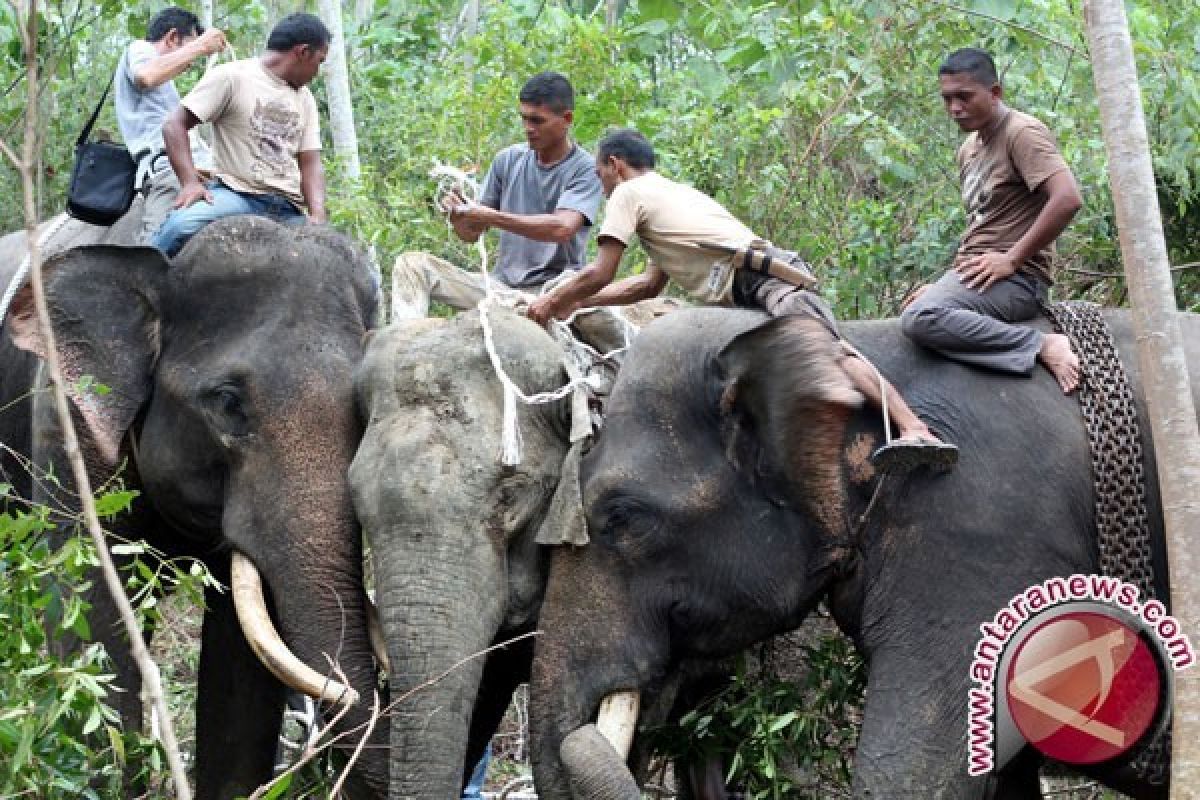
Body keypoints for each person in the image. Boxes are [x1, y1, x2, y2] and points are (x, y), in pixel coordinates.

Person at [528, 128, 957, 470]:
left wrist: (551, 303)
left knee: (830, 351)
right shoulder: (671, 195)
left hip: (762, 279)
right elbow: (646, 286)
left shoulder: (627, 194)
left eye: (600, 173)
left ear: (614, 165)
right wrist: (579, 304)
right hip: (752, 282)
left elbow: (600, 271)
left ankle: (914, 427)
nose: (599, 183)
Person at [900, 47, 1083, 394]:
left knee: (920, 319)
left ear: (995, 92)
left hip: (1018, 281)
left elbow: (1068, 198)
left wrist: (1012, 259)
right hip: (979, 275)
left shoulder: (1022, 133)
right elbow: (984, 225)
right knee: (920, 306)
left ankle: (1041, 345)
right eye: (948, 99)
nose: (955, 108)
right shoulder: (969, 148)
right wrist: (945, 284)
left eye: (965, 97)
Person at [390, 71, 603, 321]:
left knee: (584, 299)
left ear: (566, 119)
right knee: (412, 265)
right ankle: (404, 341)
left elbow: (562, 229)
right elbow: (470, 235)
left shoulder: (586, 168)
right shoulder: (508, 159)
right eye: (524, 119)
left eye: (537, 121)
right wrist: (460, 217)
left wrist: (489, 216)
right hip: (500, 288)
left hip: (552, 292)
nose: (528, 128)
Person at [151, 12, 330, 257]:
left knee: (342, 260)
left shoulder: (305, 98)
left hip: (289, 208)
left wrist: (317, 214)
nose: (317, 72)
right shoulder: (232, 77)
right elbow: (174, 125)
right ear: (303, 52)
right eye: (319, 61)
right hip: (237, 196)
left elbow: (310, 162)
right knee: (178, 227)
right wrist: (190, 183)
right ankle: (136, 290)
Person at [114, 7, 226, 244]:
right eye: (189, 44)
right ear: (173, 37)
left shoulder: (167, 85)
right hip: (168, 173)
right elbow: (146, 76)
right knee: (154, 253)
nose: (188, 64)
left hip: (199, 170)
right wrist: (201, 47)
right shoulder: (141, 49)